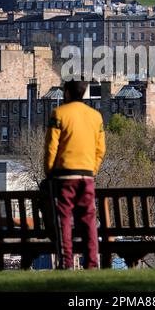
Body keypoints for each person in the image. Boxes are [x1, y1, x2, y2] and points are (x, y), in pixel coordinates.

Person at [44, 79, 106, 270]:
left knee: (63, 219)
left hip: (64, 176)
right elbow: (100, 149)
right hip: (86, 176)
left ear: (68, 92)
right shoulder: (96, 117)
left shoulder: (59, 114)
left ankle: (67, 262)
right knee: (88, 221)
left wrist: (49, 171)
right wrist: (92, 169)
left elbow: (51, 147)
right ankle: (92, 263)